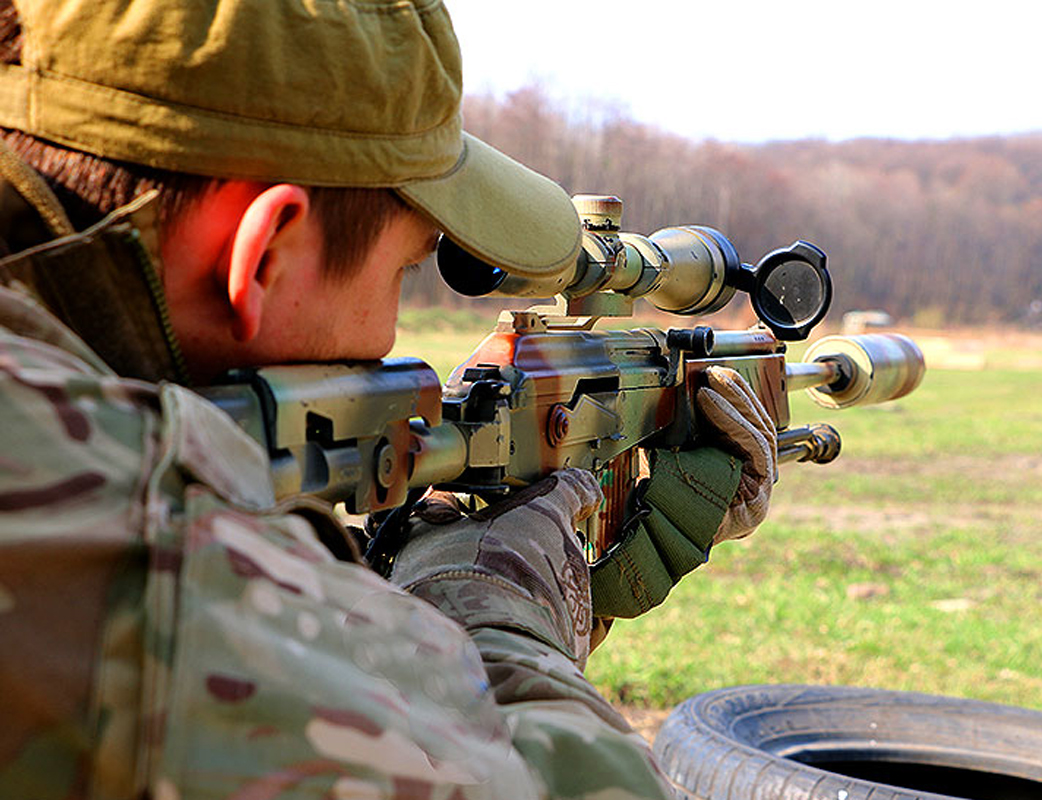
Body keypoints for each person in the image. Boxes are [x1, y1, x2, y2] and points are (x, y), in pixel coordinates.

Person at [0, 0, 777, 797]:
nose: (393, 323)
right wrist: (486, 602)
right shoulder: (151, 547)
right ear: (266, 252)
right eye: (407, 268)